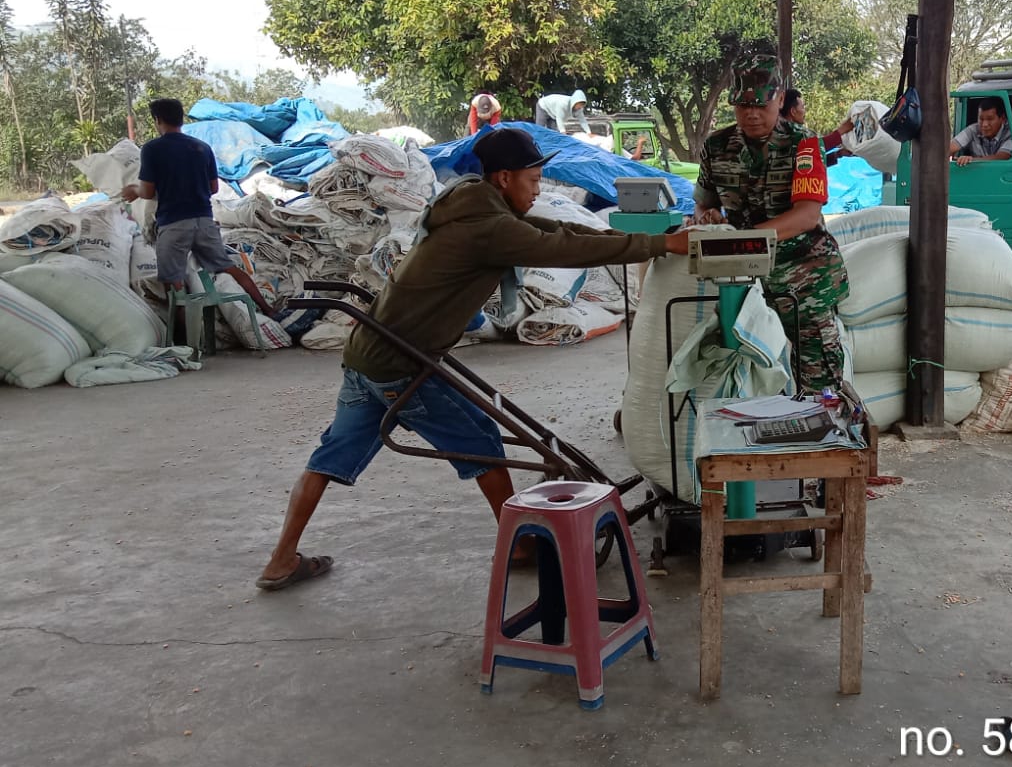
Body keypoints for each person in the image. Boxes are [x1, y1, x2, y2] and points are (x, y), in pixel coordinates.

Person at [255, 127, 689, 591]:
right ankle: (520, 546)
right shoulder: (489, 227)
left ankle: (281, 559)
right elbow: (561, 249)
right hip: (402, 364)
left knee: (328, 457)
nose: (538, 188)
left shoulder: (471, 200)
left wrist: (646, 236)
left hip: (369, 355)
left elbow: (557, 230)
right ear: (504, 177)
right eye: (534, 179)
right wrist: (660, 246)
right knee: (483, 442)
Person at [693, 57, 849, 393]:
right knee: (742, 370)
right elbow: (704, 202)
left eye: (760, 105)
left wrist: (744, 238)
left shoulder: (804, 144)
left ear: (780, 100)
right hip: (741, 279)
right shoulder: (716, 147)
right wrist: (709, 216)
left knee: (818, 377)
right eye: (742, 105)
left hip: (804, 277)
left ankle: (819, 439)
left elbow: (807, 215)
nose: (751, 114)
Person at [119, 98, 277, 318]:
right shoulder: (202, 148)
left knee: (173, 281)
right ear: (181, 118)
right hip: (204, 220)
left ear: (158, 120)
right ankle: (267, 309)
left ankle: (185, 339)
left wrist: (134, 190)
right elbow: (213, 188)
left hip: (173, 224)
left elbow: (147, 192)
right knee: (228, 267)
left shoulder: (152, 149)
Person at [781, 88, 854, 155]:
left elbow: (808, 159)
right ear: (793, 111)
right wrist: (842, 130)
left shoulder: (783, 130)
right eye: (803, 107)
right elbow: (816, 147)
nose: (805, 111)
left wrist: (838, 154)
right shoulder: (793, 134)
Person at [948, 97, 1012, 165]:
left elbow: (1002, 157)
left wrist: (970, 160)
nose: (984, 124)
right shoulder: (973, 129)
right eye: (981, 119)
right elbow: (950, 148)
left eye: (990, 119)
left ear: (1003, 119)